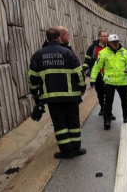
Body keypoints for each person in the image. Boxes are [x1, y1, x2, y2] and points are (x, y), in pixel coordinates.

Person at [28, 27, 87, 159]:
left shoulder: (38, 55)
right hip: (71, 96)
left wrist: (34, 92)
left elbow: (32, 77)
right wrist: (82, 88)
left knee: (60, 124)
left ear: (47, 38)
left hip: (52, 97)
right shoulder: (67, 53)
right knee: (73, 122)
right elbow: (79, 72)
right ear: (59, 37)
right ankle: (76, 148)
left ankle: (67, 151)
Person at [90, 34, 127, 130]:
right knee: (108, 101)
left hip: (122, 81)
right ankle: (107, 120)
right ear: (109, 43)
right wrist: (92, 79)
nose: (116, 44)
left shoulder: (123, 51)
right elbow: (97, 66)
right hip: (110, 82)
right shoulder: (103, 53)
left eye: (117, 42)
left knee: (125, 101)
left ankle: (126, 116)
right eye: (114, 43)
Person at [82, 31, 115, 119]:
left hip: (108, 73)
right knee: (100, 93)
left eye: (107, 36)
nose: (107, 38)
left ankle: (109, 111)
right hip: (97, 74)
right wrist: (84, 69)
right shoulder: (93, 47)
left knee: (109, 93)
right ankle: (102, 107)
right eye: (104, 36)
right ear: (99, 37)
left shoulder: (110, 46)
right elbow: (87, 59)